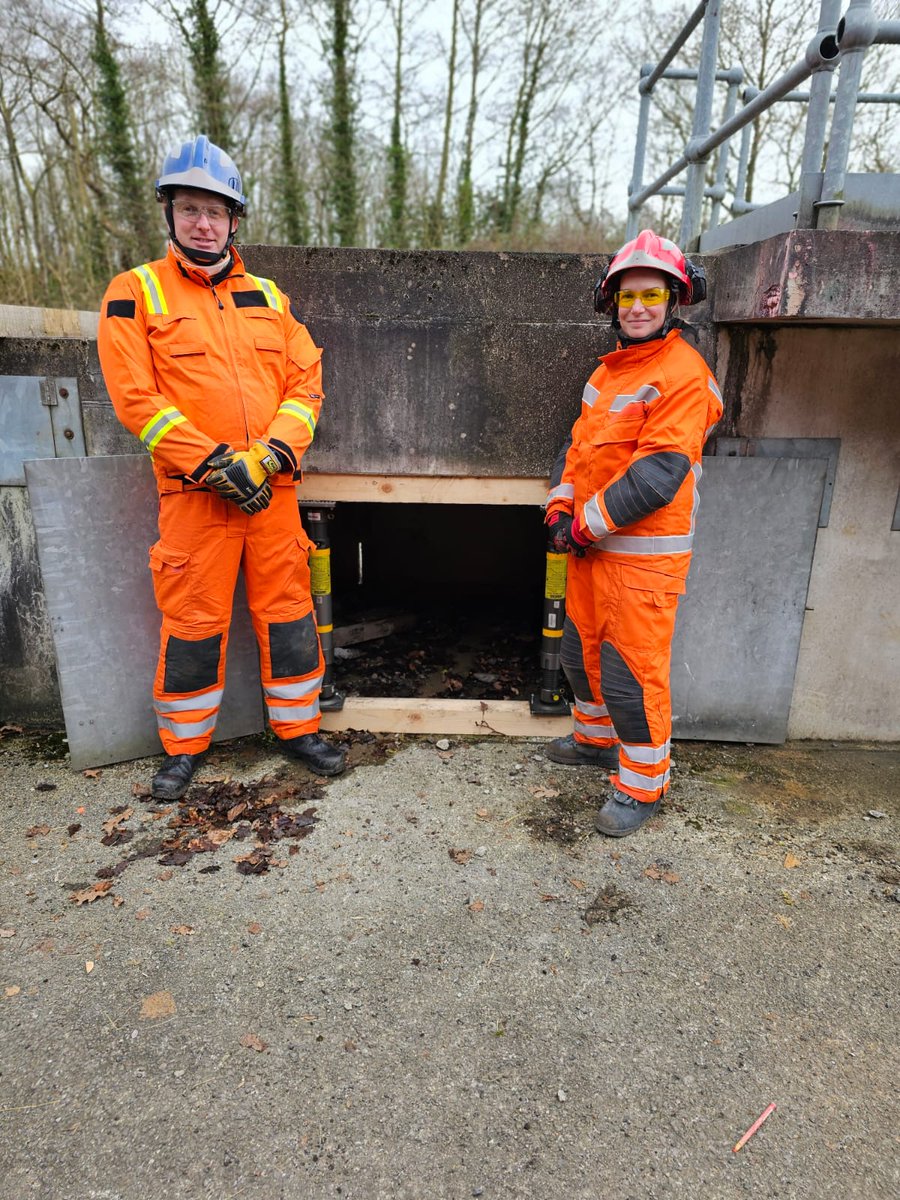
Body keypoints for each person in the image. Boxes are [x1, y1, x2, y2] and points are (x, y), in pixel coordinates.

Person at [97, 134, 346, 800]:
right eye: (189, 209)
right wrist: (212, 464)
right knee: (192, 626)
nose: (202, 223)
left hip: (271, 492)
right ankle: (183, 748)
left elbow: (306, 384)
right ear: (169, 214)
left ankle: (299, 730)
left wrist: (268, 456)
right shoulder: (135, 292)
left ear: (234, 220)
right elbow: (135, 398)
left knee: (290, 614)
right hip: (195, 498)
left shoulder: (269, 296)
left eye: (214, 211)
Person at [543, 230, 722, 837]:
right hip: (591, 551)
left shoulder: (682, 374)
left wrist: (582, 526)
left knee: (630, 675)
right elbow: (577, 451)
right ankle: (594, 742)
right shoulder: (608, 374)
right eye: (627, 296)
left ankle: (642, 784)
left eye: (651, 294)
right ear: (612, 302)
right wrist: (560, 509)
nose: (638, 307)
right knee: (580, 657)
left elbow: (657, 475)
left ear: (674, 301)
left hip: (641, 564)